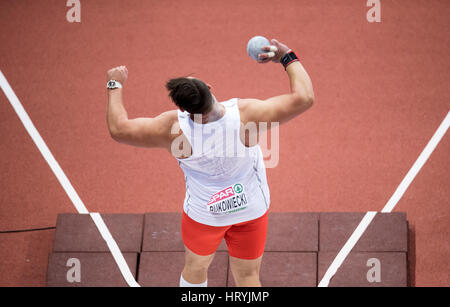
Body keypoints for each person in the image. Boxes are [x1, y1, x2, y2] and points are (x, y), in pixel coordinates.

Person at [105, 38, 314, 287]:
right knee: (248, 276)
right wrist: (286, 56)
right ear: (209, 87)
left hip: (205, 215)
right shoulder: (248, 115)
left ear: (182, 108)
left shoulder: (172, 129)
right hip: (251, 208)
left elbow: (118, 129)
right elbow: (304, 98)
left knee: (195, 268)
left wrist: (114, 83)